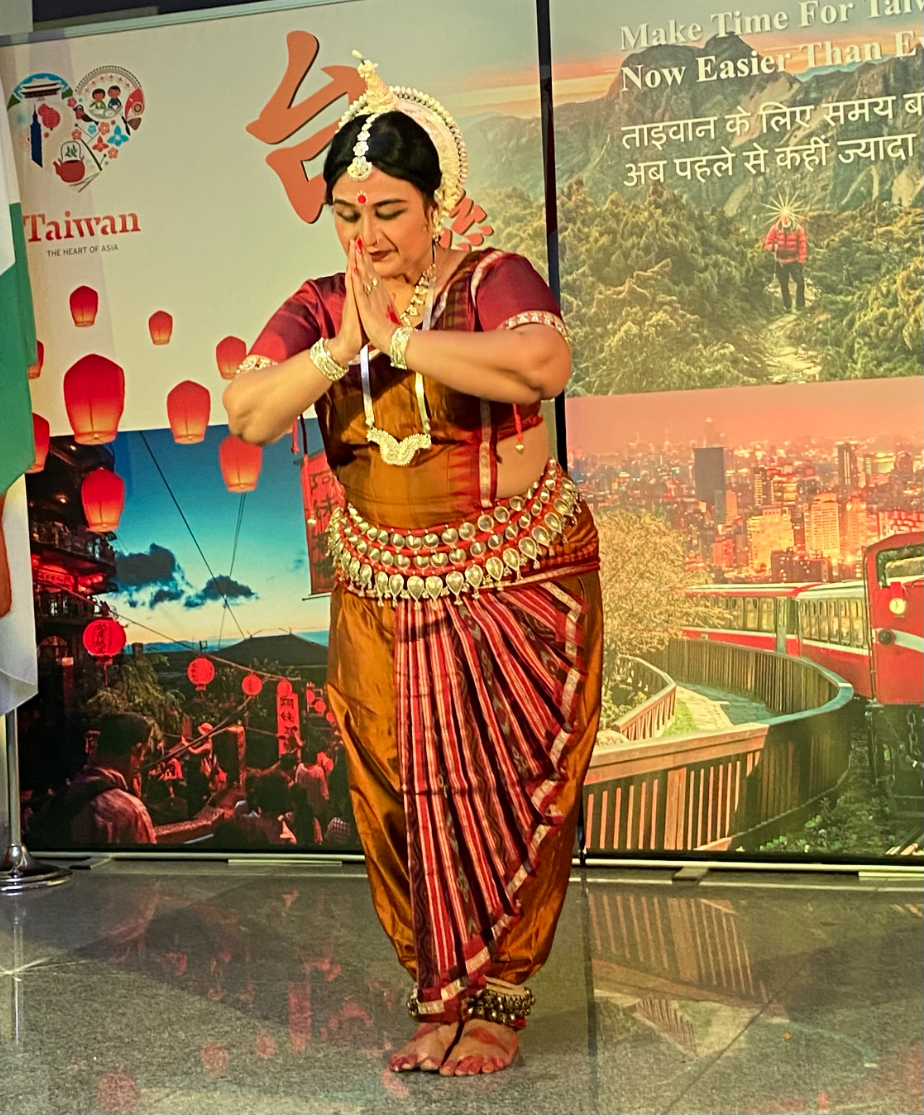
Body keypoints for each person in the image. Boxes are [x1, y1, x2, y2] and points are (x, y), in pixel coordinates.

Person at [223, 55, 602, 1078]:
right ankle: (437, 991)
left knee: (513, 787)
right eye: (348, 215)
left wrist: (403, 343)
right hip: (381, 588)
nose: (367, 235)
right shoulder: (320, 304)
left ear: (438, 203)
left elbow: (543, 365)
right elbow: (248, 411)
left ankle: (499, 999)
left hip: (514, 581)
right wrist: (338, 348)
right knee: (396, 795)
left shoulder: (491, 278)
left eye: (388, 211)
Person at [66, 712, 157, 845]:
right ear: (136, 751)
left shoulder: (67, 794)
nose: (141, 760)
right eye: (142, 754)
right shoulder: (132, 812)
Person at [764, 211, 807, 312]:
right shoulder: (775, 228)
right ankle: (787, 306)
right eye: (784, 217)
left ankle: (800, 305)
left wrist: (801, 260)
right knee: (783, 284)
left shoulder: (798, 229)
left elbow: (802, 245)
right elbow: (768, 242)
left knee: (800, 282)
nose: (786, 219)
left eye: (787, 217)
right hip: (780, 261)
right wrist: (773, 248)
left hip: (794, 260)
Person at [295, 740, 330, 818]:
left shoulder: (300, 768)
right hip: (318, 808)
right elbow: (324, 792)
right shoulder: (318, 771)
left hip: (303, 807)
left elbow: (297, 785)